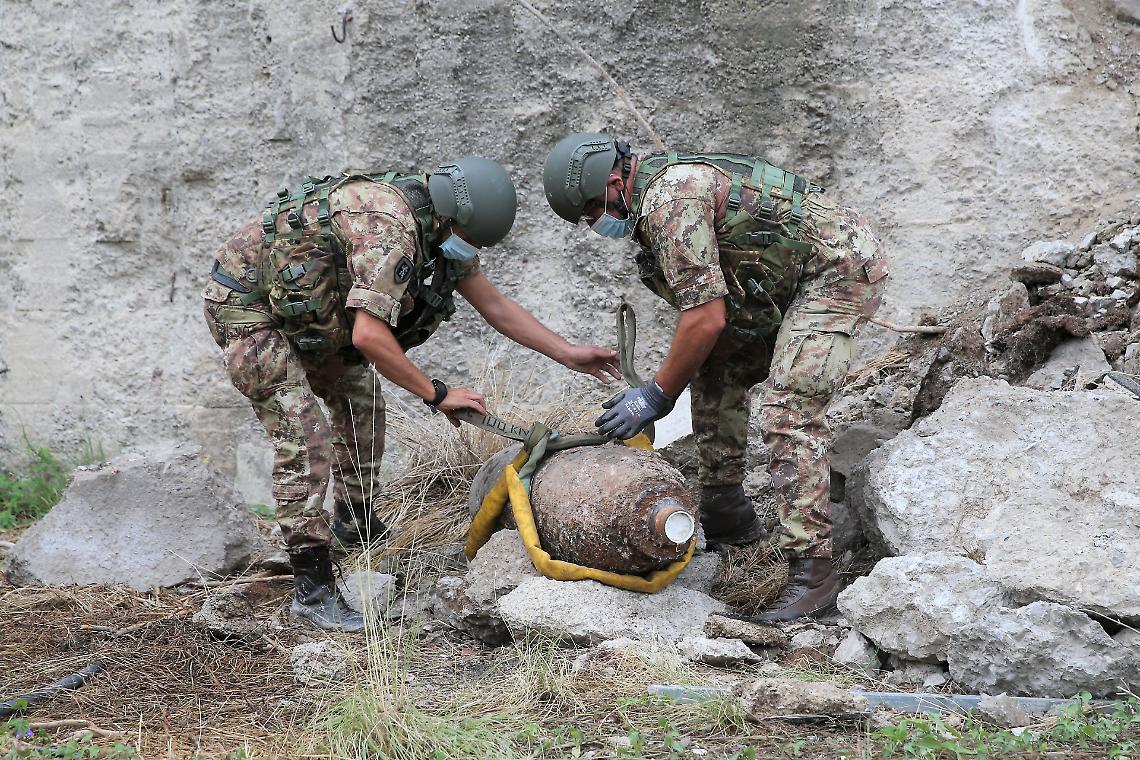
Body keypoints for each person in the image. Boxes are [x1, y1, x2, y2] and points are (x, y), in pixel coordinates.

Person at [203, 157, 620, 631]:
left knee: (364, 408)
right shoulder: (390, 230)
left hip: (307, 311)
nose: (470, 251)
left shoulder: (441, 226)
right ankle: (312, 587)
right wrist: (437, 393)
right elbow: (368, 337)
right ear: (451, 217)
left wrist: (567, 353)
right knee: (306, 438)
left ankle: (354, 526)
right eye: (471, 239)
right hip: (247, 308)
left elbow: (495, 305)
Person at [542, 134, 888, 622]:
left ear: (616, 181)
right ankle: (727, 514)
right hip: (781, 278)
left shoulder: (670, 200)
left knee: (788, 408)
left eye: (592, 209)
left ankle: (815, 573)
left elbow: (704, 317)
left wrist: (656, 395)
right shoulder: (651, 200)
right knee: (717, 369)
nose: (593, 223)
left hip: (837, 270)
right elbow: (708, 323)